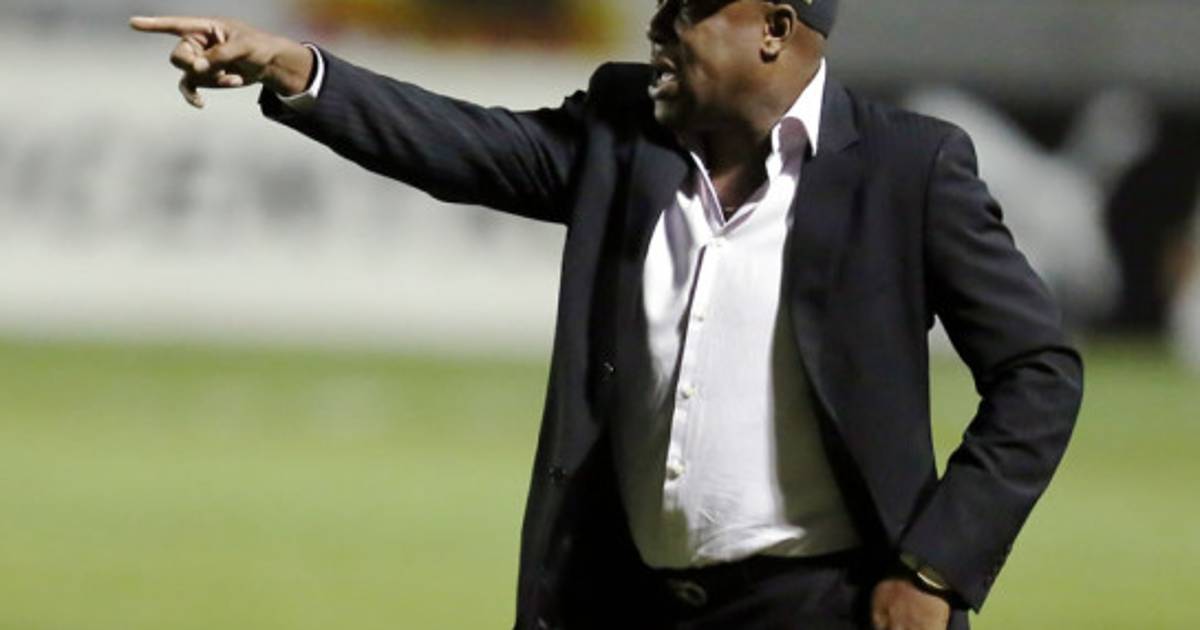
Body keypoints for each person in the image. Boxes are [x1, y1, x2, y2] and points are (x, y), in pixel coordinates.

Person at [131, 2, 1084, 629]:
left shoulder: (910, 169)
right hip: (623, 601)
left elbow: (1038, 370)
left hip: (819, 604)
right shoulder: (624, 132)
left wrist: (933, 568)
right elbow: (464, 145)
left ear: (774, 30)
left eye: (686, 8)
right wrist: (295, 67)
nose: (656, 25)